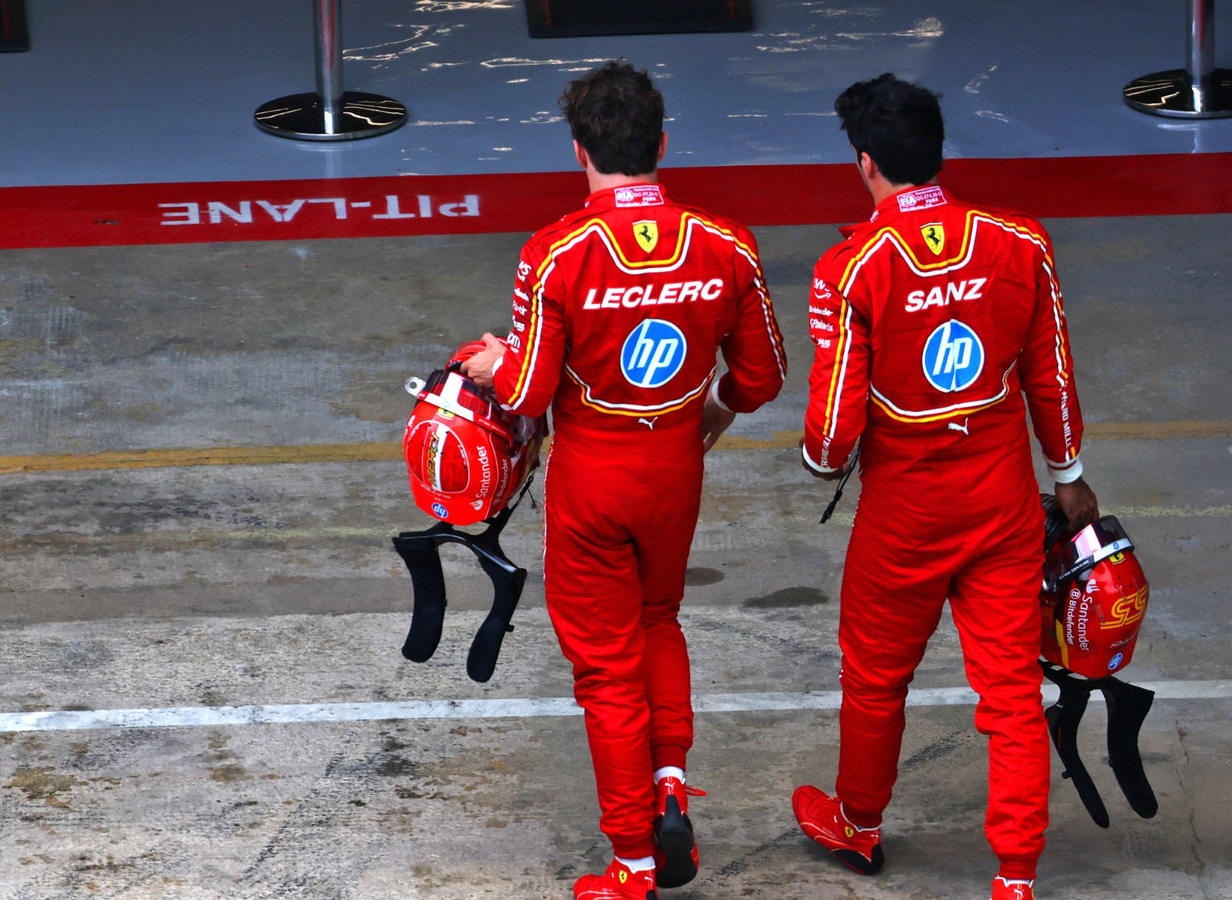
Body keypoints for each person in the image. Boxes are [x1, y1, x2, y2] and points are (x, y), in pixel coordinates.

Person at [461, 60, 786, 899]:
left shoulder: (554, 252)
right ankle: (671, 782)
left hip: (593, 483)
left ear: (579, 152)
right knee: (660, 622)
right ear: (663, 143)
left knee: (605, 669)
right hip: (676, 472)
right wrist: (712, 404)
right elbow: (762, 379)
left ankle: (633, 861)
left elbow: (529, 392)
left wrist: (496, 362)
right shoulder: (728, 244)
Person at [792, 73, 1098, 900]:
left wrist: (819, 461)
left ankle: (857, 822)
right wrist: (1067, 478)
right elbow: (1052, 374)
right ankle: (1017, 875)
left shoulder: (851, 267)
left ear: (865, 165)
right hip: (1000, 505)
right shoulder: (1020, 241)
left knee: (875, 679)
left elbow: (831, 435)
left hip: (904, 520)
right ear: (937, 152)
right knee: (1010, 694)